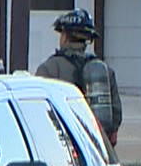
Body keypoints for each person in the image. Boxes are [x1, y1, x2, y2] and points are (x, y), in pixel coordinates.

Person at [36, 8, 122, 144]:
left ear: (65, 37)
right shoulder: (103, 71)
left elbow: (39, 110)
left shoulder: (49, 68)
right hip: (96, 144)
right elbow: (115, 118)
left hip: (63, 143)